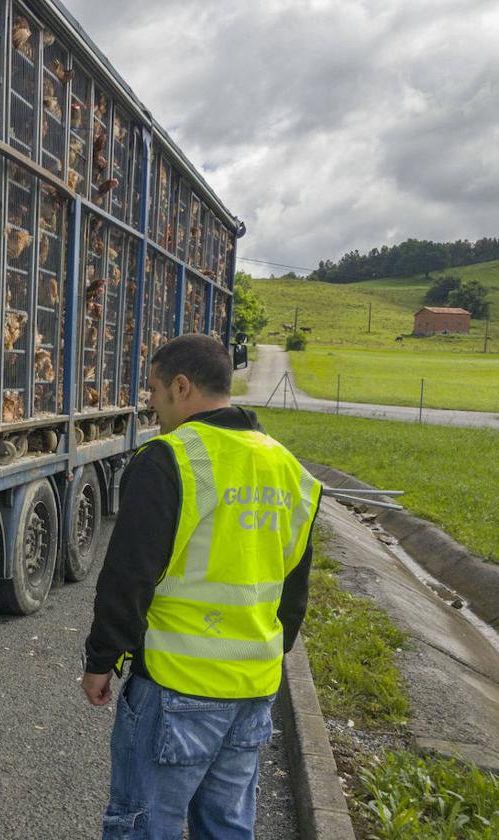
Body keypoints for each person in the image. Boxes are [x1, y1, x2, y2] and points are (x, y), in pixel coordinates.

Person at [80, 333, 320, 839]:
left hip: (176, 688)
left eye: (153, 389)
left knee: (145, 826)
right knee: (228, 828)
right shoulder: (288, 469)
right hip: (253, 691)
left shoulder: (170, 459)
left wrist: (103, 660)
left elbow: (129, 576)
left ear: (181, 386)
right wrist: (269, 654)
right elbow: (295, 589)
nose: (150, 402)